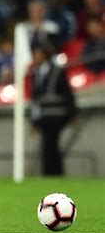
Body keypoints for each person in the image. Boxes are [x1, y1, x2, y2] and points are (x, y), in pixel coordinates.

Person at [29, 40, 77, 176]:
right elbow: (36, 99)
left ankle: (53, 173)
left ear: (44, 55)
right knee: (48, 145)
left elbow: (68, 93)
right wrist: (34, 119)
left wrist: (72, 113)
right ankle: (51, 173)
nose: (35, 56)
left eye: (37, 53)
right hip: (44, 116)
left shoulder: (57, 71)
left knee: (51, 145)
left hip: (57, 115)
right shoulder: (37, 72)